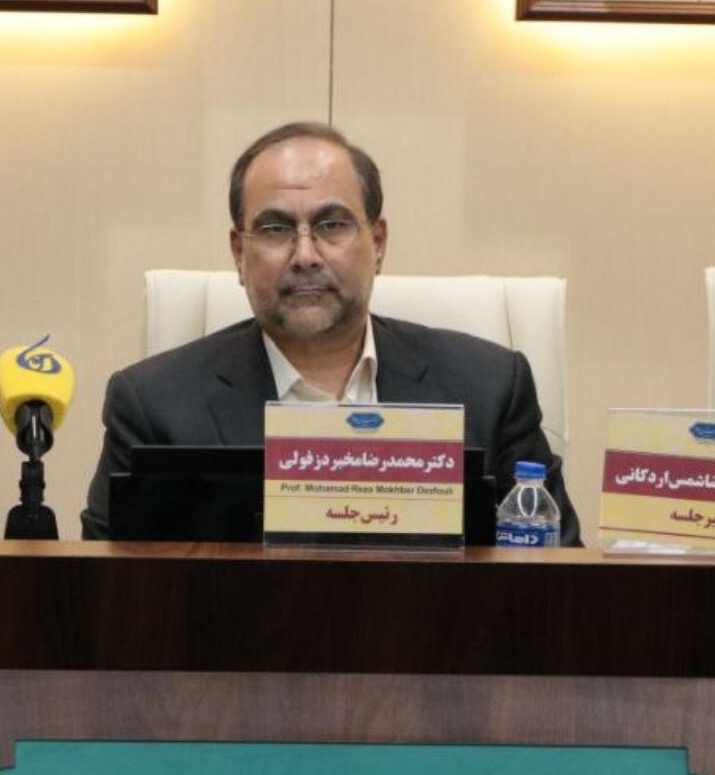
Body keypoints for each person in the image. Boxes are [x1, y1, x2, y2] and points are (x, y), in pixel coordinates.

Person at [83, 121, 578, 543]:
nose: (305, 255)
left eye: (332, 225)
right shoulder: (154, 406)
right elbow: (109, 594)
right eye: (275, 229)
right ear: (239, 253)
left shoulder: (489, 388)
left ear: (377, 242)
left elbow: (555, 585)